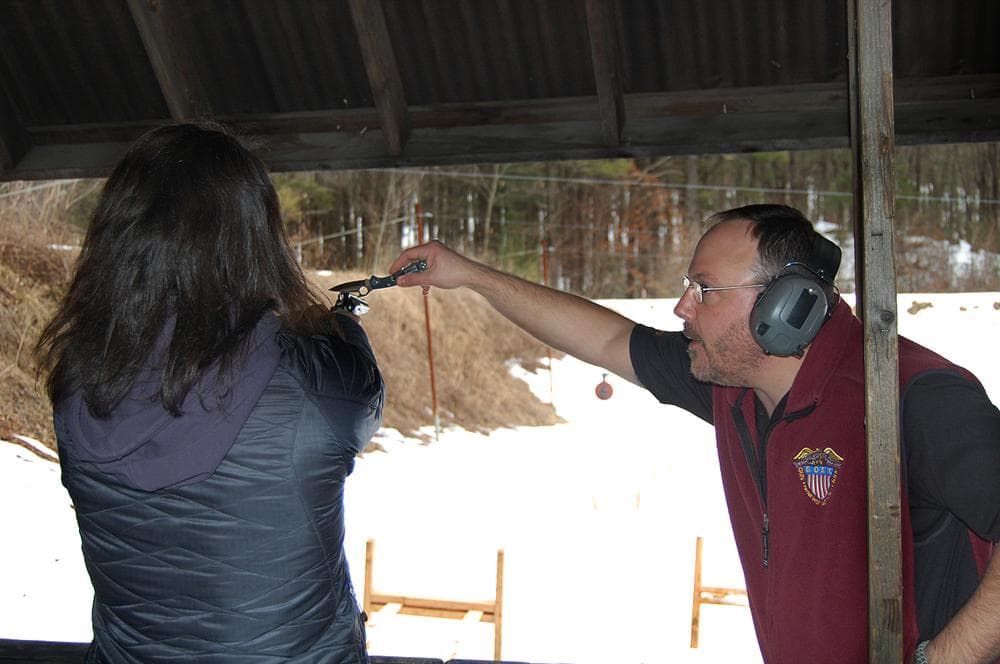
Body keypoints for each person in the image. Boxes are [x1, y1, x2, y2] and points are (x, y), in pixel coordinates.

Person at [388, 204, 1000, 664]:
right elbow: (606, 339)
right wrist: (468, 274)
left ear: (787, 306)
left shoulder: (911, 396)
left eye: (704, 290)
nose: (682, 308)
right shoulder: (733, 383)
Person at [35, 123, 383, 664]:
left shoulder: (77, 384)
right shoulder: (310, 386)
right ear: (252, 238)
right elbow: (363, 391)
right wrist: (341, 322)